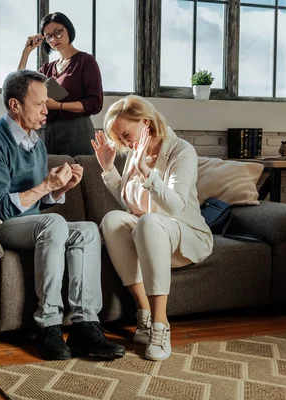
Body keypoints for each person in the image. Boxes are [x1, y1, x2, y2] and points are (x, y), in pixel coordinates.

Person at [0, 69, 125, 361]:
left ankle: (85, 324)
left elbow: (37, 204)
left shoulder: (36, 143)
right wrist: (45, 185)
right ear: (15, 105)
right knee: (53, 223)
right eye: (40, 104)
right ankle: (49, 325)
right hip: (0, 227)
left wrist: (58, 189)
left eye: (47, 104)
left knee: (88, 230)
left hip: (33, 225)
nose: (46, 111)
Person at [92, 95, 213, 361]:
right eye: (119, 140)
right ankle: (143, 312)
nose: (124, 143)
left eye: (126, 134)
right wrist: (109, 168)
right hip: (148, 233)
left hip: (183, 235)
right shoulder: (137, 151)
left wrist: (147, 172)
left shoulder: (182, 151)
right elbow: (131, 202)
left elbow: (175, 207)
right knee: (112, 219)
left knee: (149, 222)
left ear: (145, 122)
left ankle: (161, 325)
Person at [18, 12, 103, 157]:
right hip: (51, 131)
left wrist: (58, 106)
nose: (54, 38)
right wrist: (26, 52)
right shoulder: (47, 69)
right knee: (54, 175)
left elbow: (95, 103)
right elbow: (19, 82)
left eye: (58, 32)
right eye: (49, 36)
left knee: (79, 176)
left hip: (77, 129)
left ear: (68, 29)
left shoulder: (85, 60)